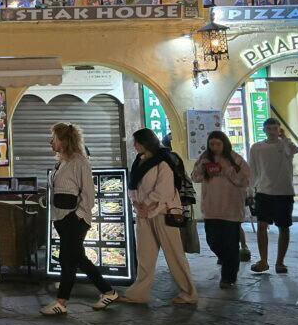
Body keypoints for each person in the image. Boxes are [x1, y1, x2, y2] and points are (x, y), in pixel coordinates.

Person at [40, 123, 117, 315]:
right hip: (61, 219)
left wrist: (78, 216)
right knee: (76, 258)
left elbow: (89, 195)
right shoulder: (62, 162)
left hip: (74, 220)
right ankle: (108, 291)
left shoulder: (79, 162)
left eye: (55, 138)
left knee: (68, 259)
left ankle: (61, 302)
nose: (52, 142)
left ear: (64, 141)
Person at [121, 129, 198, 305]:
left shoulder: (164, 162)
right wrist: (136, 204)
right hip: (143, 214)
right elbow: (132, 185)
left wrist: (146, 204)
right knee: (145, 255)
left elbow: (163, 190)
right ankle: (138, 294)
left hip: (164, 212)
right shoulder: (139, 162)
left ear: (145, 142)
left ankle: (189, 293)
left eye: (136, 142)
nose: (134, 145)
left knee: (174, 254)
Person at [190, 131, 251, 288]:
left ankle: (228, 277)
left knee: (230, 244)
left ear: (224, 143)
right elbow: (195, 178)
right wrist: (202, 168)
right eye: (212, 144)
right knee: (213, 241)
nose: (215, 147)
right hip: (211, 209)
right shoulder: (205, 159)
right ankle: (230, 260)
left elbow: (245, 180)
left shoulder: (235, 159)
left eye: (218, 144)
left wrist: (227, 169)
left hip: (231, 210)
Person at [249, 118, 298, 274]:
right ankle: (263, 261)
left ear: (279, 129)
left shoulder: (285, 145)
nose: (272, 131)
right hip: (263, 191)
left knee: (284, 227)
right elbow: (253, 170)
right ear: (264, 130)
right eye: (269, 128)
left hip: (284, 192)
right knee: (262, 226)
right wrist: (250, 191)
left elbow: (295, 149)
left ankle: (280, 262)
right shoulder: (257, 147)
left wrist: (284, 138)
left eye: (275, 128)